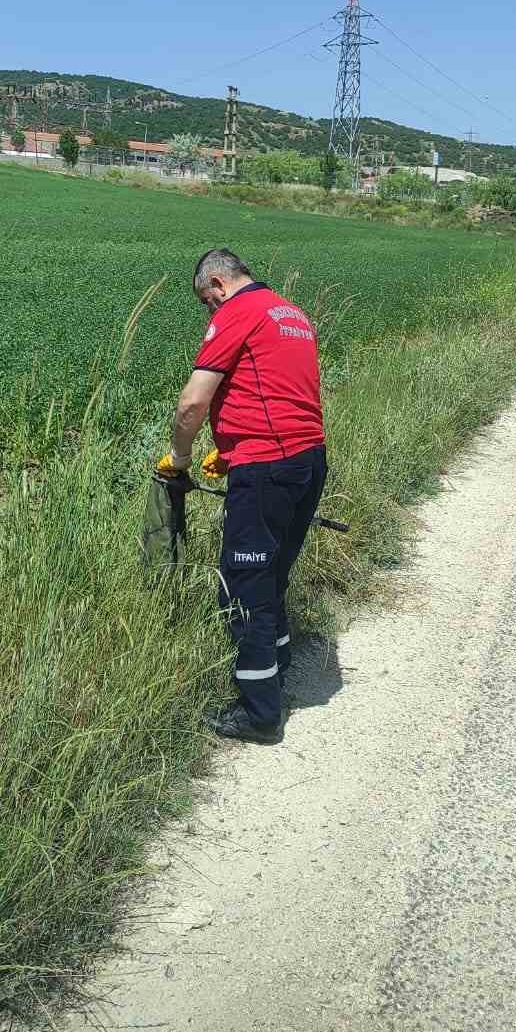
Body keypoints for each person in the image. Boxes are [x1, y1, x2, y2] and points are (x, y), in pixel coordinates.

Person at [157, 248, 327, 744]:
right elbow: (275, 393)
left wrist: (181, 458)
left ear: (217, 283)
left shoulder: (239, 310)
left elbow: (192, 402)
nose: (210, 312)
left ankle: (259, 714)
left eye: (206, 301)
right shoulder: (289, 312)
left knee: (242, 588)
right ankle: (278, 665)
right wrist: (229, 450)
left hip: (267, 468)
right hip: (307, 460)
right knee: (272, 573)